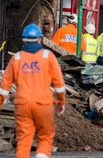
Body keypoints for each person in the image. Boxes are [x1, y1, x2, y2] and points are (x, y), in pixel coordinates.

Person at [0, 23, 65, 158]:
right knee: (45, 137)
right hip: (44, 104)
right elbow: (59, 85)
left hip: (23, 105)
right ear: (40, 39)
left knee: (24, 141)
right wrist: (61, 102)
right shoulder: (48, 57)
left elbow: (4, 88)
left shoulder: (16, 58)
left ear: (23, 40)